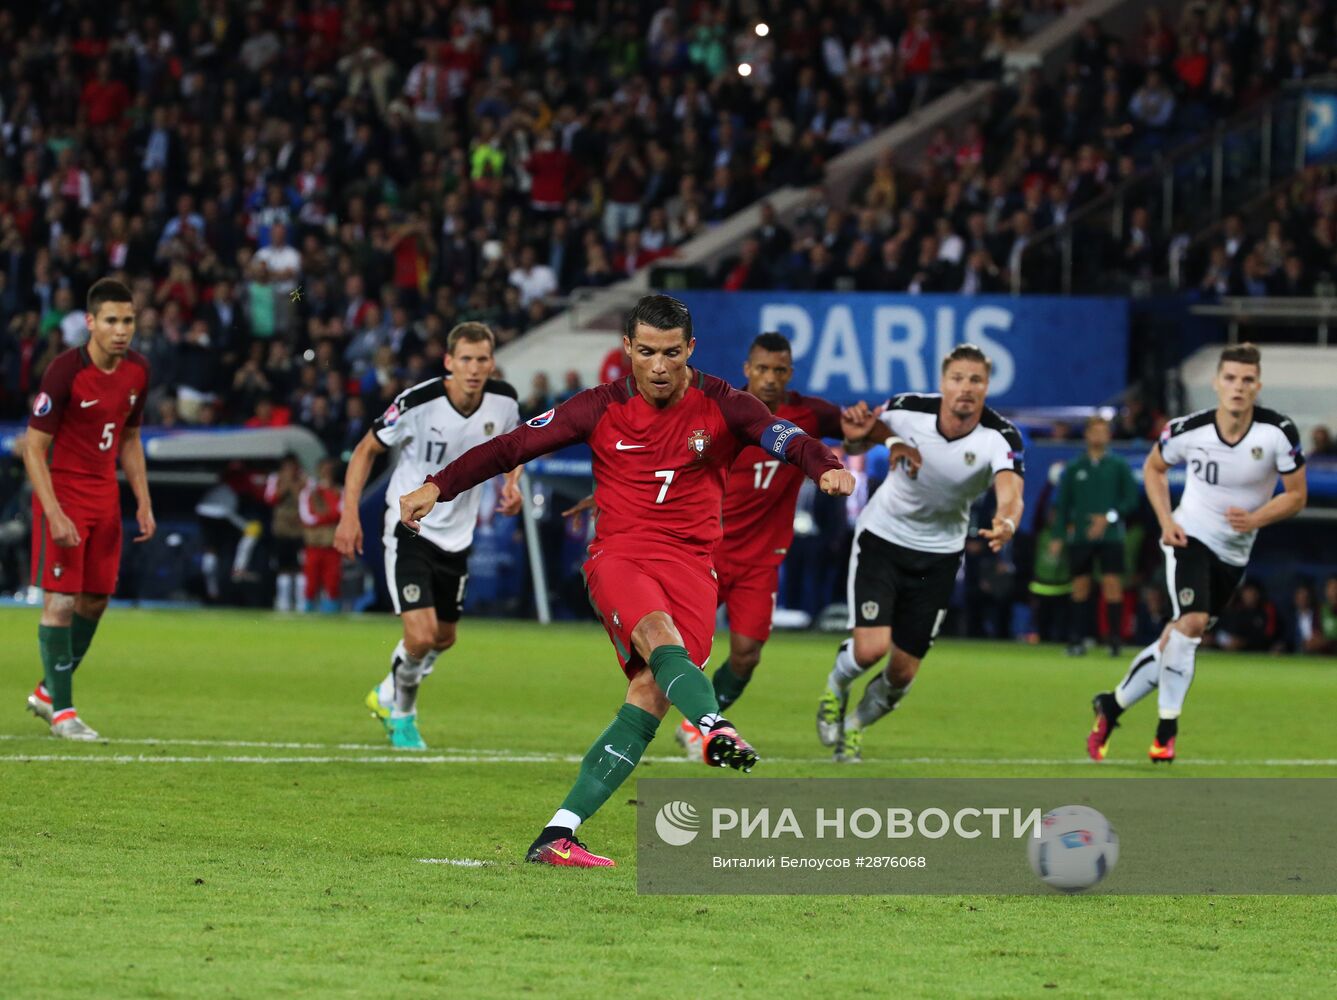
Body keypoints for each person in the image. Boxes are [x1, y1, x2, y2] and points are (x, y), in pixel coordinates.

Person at [398, 295, 854, 867]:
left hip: (693, 568)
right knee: (660, 638)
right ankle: (713, 726)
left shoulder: (725, 405)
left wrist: (825, 465)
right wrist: (436, 486)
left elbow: (785, 437)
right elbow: (511, 446)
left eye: (670, 353)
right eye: (646, 352)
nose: (658, 366)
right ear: (627, 351)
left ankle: (558, 834)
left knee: (650, 693)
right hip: (621, 558)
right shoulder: (598, 406)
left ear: (690, 349)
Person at [1088, 343, 1307, 764]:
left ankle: (1111, 705)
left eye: (1246, 380)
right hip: (1189, 537)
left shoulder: (1277, 432)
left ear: (1258, 385)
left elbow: (1296, 496)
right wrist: (1166, 521)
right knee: (1191, 623)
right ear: (1216, 383)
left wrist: (1257, 518)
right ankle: (1165, 733)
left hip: (1234, 553)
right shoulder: (1189, 429)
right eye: (1230, 378)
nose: (1238, 387)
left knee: (1176, 639)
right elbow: (1154, 468)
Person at [818, 344, 1025, 763]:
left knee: (902, 671)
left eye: (975, 380)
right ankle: (836, 687)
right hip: (883, 538)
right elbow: (858, 440)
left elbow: (1011, 490)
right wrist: (879, 438)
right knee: (869, 650)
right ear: (942, 382)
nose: (965, 388)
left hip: (939, 556)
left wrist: (1006, 521)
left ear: (987, 386)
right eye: (957, 378)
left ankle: (855, 727)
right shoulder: (907, 408)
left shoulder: (1001, 437)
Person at [335, 323, 522, 751]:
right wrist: (349, 515)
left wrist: (513, 484)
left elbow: (517, 448)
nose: (474, 369)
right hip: (410, 527)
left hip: (459, 534)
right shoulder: (417, 402)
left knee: (444, 638)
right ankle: (402, 715)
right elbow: (366, 448)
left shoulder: (505, 400)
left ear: (491, 363)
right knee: (420, 636)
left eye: (482, 360)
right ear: (449, 363)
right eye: (466, 360)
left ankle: (387, 688)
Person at [23, 278, 154, 740]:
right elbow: (33, 448)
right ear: (91, 323)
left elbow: (131, 439)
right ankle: (63, 713)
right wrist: (54, 512)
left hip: (105, 498)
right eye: (112, 321)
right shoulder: (64, 372)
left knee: (95, 601)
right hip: (65, 494)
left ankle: (46, 692)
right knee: (59, 603)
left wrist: (143, 499)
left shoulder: (138, 371)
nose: (122, 330)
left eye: (129, 320)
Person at [1052, 416, 1138, 657]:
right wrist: (1059, 536)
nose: (1099, 436)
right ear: (1087, 435)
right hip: (1080, 537)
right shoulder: (1074, 468)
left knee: (1112, 585)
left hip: (1111, 537)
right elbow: (1063, 504)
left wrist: (1108, 517)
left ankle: (1114, 641)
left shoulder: (1119, 466)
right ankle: (1078, 639)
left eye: (1103, 431)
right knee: (1080, 587)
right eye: (1094, 431)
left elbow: (1131, 500)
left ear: (1109, 435)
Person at [299, 457, 343, 613]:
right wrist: (327, 516)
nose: (327, 473)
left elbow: (341, 513)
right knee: (311, 583)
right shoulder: (310, 493)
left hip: (331, 544)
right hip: (314, 544)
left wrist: (322, 515)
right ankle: (308, 611)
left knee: (332, 582)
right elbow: (307, 517)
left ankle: (331, 613)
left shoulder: (339, 492)